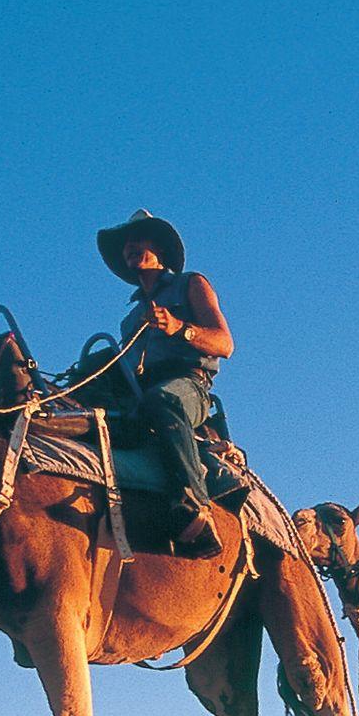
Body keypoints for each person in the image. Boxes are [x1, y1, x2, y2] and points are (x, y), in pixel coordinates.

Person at [98, 210, 233, 553]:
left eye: (139, 238)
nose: (130, 246)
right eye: (126, 243)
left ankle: (195, 508)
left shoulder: (191, 284)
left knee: (165, 400)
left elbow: (224, 343)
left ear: (159, 247)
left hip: (187, 386)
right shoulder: (130, 319)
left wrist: (179, 328)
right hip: (138, 395)